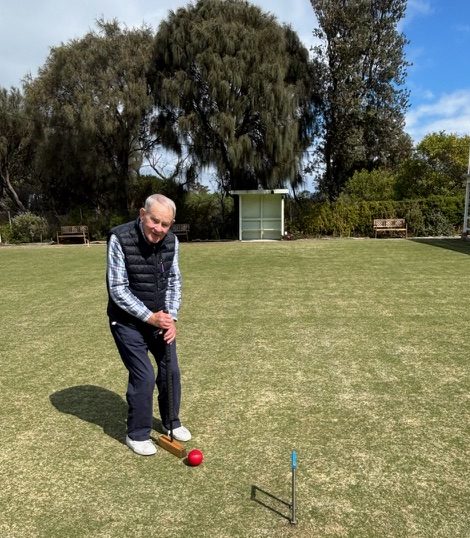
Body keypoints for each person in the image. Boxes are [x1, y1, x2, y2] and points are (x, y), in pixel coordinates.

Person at [106, 194, 191, 456]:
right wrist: (150, 317)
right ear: (143, 214)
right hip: (126, 321)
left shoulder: (171, 242)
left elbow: (174, 281)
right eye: (154, 221)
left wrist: (171, 318)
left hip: (159, 318)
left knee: (170, 370)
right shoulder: (119, 238)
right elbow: (117, 288)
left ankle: (171, 421)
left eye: (165, 224)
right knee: (143, 376)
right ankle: (137, 433)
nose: (159, 229)